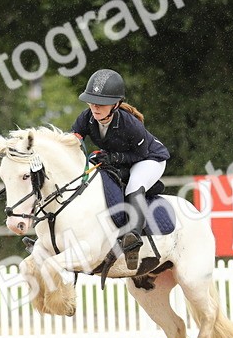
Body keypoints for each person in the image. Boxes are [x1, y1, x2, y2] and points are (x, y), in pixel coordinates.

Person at [69, 68, 170, 269]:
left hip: (150, 158)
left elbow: (140, 155)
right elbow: (72, 138)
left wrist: (113, 157)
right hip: (122, 159)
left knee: (135, 183)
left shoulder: (129, 124)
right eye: (91, 102)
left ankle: (133, 239)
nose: (95, 107)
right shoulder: (87, 118)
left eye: (101, 103)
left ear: (115, 104)